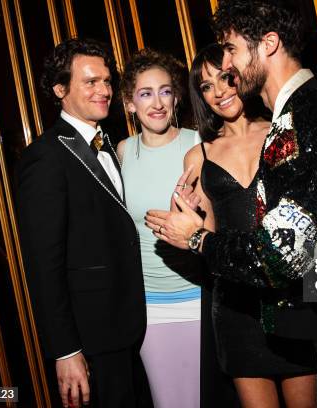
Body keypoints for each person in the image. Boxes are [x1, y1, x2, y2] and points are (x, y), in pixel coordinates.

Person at [145, 1, 317, 407]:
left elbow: (281, 255)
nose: (229, 69)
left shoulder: (304, 120)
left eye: (233, 52)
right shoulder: (304, 114)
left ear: (269, 44)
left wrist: (198, 238)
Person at [183, 43, 317, 407]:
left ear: (240, 75)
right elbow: (206, 237)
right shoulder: (200, 155)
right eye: (206, 87)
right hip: (235, 307)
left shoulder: (282, 132)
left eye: (225, 78)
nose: (220, 92)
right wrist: (189, 218)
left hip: (290, 297)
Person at [17, 38, 146, 408]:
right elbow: (44, 265)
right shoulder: (45, 158)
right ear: (60, 89)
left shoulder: (109, 144)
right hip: (90, 338)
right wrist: (65, 350)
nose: (104, 90)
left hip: (127, 325)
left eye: (107, 81)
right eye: (90, 82)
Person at [116, 48, 237, 408]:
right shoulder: (122, 152)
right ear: (129, 103)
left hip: (201, 298)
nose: (157, 103)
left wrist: (195, 224)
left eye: (165, 91)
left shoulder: (199, 144)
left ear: (177, 97)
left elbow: (222, 222)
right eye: (145, 93)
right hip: (151, 308)